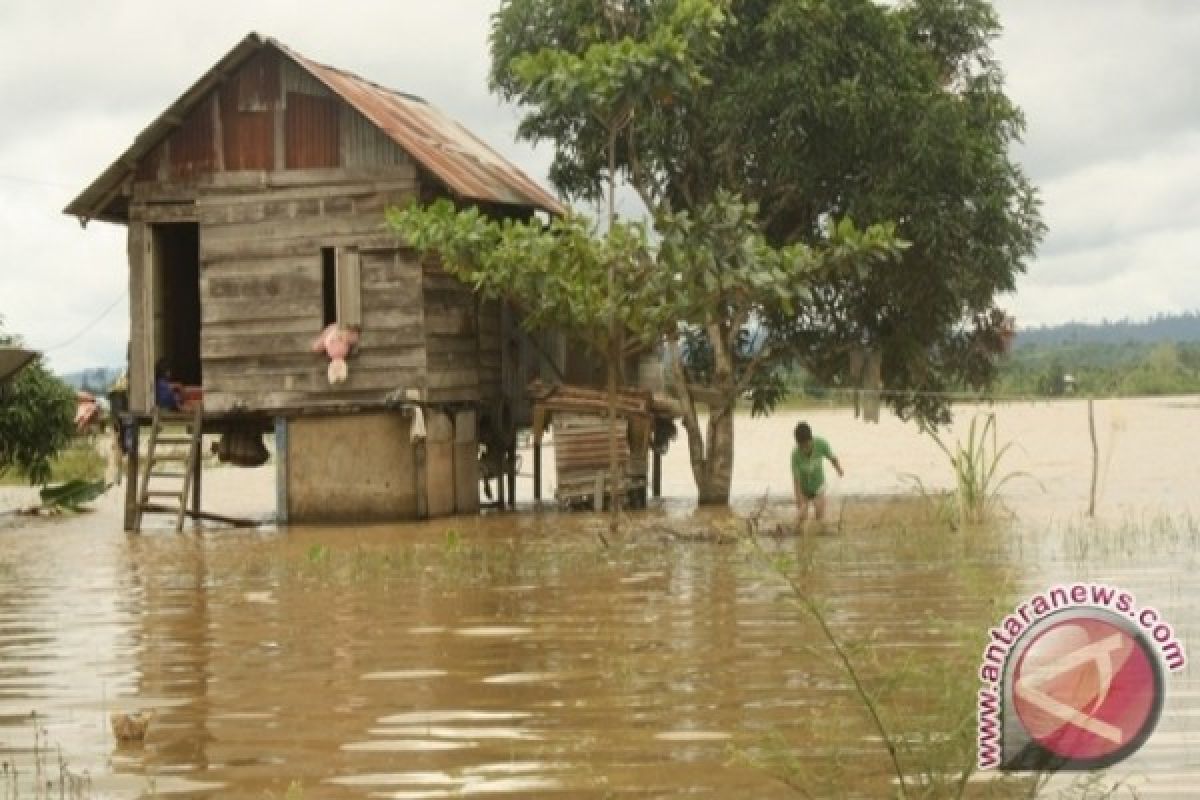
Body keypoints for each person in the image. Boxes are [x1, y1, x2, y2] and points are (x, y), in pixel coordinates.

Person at [791, 421, 843, 522]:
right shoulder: (795, 454)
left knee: (819, 511)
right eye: (801, 446)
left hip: (819, 486)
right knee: (802, 516)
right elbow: (796, 480)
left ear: (811, 439)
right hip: (803, 488)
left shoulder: (821, 444)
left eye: (806, 444)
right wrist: (799, 498)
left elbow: (832, 457)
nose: (805, 448)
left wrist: (838, 469)